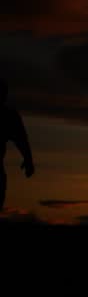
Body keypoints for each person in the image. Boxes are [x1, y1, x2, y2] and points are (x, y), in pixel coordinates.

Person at [1, 79, 34, 211]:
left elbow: (21, 139)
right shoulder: (9, 116)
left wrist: (28, 159)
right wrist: (28, 160)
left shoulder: (8, 116)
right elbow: (21, 139)